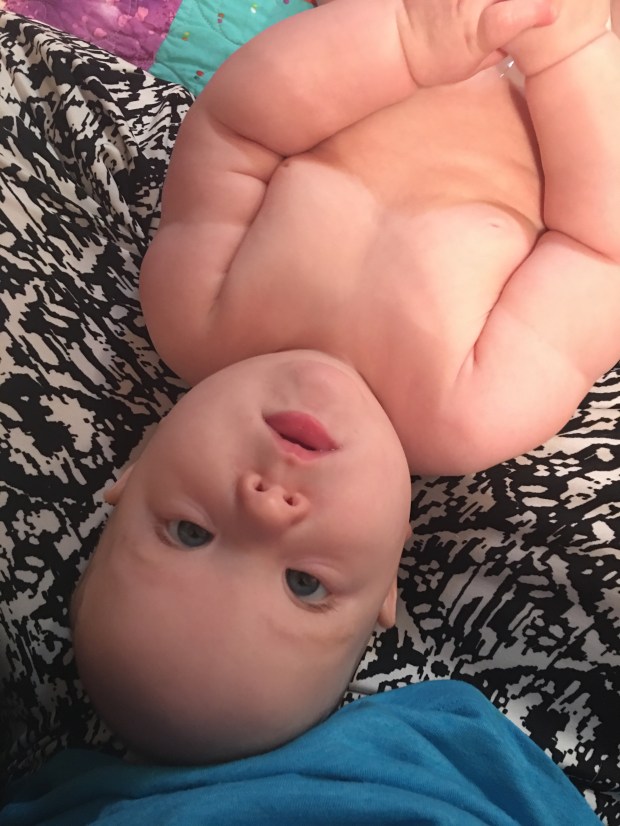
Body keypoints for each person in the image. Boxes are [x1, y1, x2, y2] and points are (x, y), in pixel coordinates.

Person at [70, 0, 620, 768]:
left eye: (191, 531)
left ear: (132, 474)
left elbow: (236, 128)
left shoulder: (194, 310)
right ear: (388, 576)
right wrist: (572, 55)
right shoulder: (473, 410)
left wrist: (407, 39)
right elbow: (597, 248)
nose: (268, 506)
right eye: (303, 582)